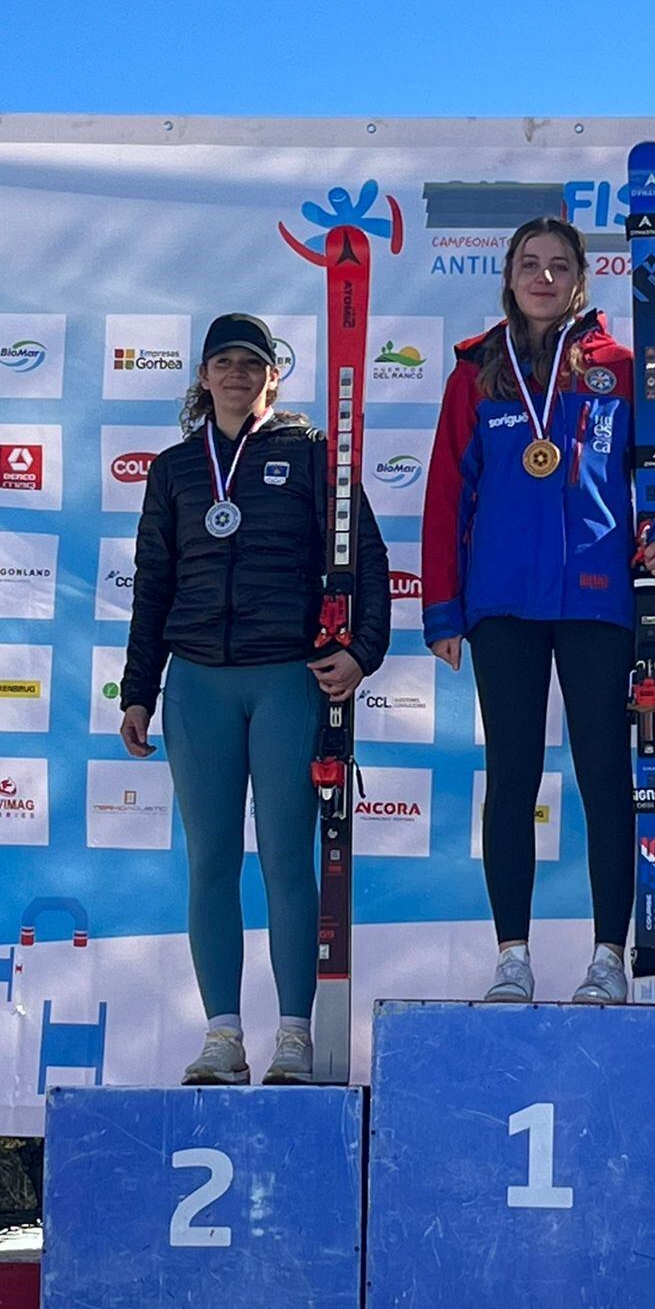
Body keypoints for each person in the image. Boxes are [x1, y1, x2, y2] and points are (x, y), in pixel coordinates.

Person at [423, 215, 655, 1004]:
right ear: (509, 277)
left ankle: (608, 957)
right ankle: (511, 956)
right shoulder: (477, 372)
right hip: (503, 605)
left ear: (582, 279)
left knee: (604, 776)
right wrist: (442, 609)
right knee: (510, 778)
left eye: (558, 265)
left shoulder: (623, 368)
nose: (543, 277)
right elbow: (448, 492)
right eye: (529, 264)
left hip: (596, 598)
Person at [120, 312, 390, 1087]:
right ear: (202, 378)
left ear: (274, 375)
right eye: (223, 363)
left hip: (285, 679)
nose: (237, 374)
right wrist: (139, 691)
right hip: (197, 680)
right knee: (209, 861)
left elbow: (365, 560)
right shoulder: (174, 470)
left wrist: (360, 652)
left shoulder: (312, 457)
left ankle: (295, 1037)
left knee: (284, 861)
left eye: (252, 363)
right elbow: (154, 586)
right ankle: (223, 1037)